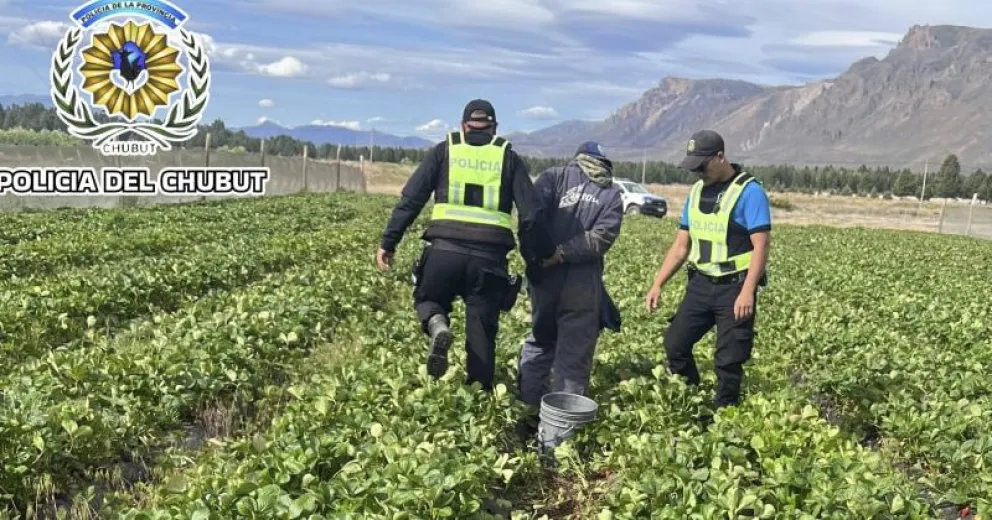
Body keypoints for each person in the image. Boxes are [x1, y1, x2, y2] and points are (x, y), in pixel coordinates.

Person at [376, 99, 555, 392]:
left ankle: (437, 323)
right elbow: (532, 215)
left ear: (463, 126)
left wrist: (389, 241)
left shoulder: (445, 150)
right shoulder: (507, 157)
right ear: (494, 128)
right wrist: (537, 255)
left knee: (428, 299)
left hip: (444, 252)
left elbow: (411, 200)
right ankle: (479, 401)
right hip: (489, 261)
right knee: (482, 333)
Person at [645, 129, 771, 410]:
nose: (698, 172)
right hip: (701, 285)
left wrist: (747, 292)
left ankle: (724, 415)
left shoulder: (750, 192)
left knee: (728, 360)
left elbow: (761, 247)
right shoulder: (697, 191)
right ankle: (693, 400)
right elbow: (681, 246)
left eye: (702, 165)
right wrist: (658, 284)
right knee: (675, 345)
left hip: (734, 287)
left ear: (720, 157)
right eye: (694, 167)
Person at [516, 141, 623, 418]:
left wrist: (537, 258)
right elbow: (600, 238)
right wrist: (562, 254)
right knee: (572, 358)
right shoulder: (610, 194)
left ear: (577, 159)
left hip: (544, 281)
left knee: (540, 343)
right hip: (582, 286)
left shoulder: (554, 177)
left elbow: (530, 217)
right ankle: (559, 431)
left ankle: (528, 413)